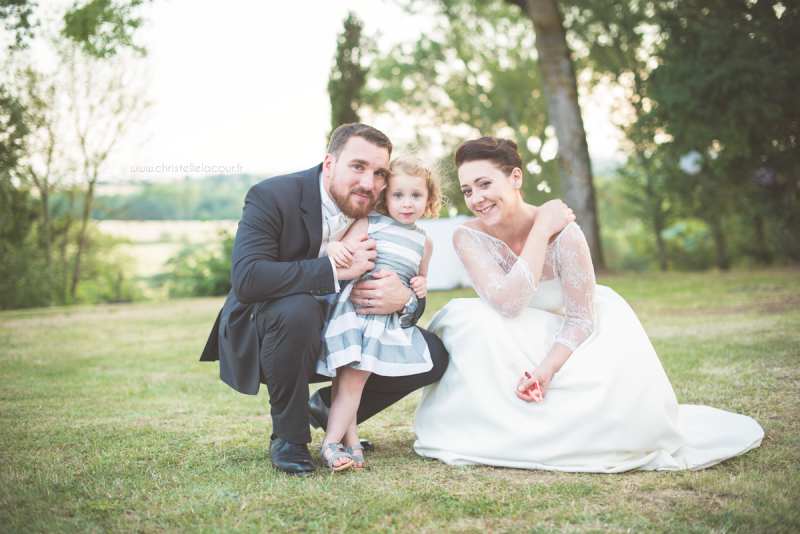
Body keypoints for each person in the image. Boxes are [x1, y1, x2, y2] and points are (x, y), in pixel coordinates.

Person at [413, 136, 764, 472]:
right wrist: (539, 231)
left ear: (515, 177)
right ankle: (488, 424)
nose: (476, 198)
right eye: (467, 190)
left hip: (569, 337)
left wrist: (547, 369)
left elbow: (581, 319)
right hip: (509, 335)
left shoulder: (566, 233)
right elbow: (509, 304)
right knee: (467, 317)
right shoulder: (468, 236)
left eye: (484, 184)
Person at [199, 124, 448, 476]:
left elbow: (407, 275)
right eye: (357, 166)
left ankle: (330, 411)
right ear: (329, 162)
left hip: (352, 321)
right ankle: (290, 437)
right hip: (276, 325)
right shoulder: (271, 195)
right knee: (298, 309)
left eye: (379, 173)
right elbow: (248, 279)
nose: (369, 181)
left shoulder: (379, 209)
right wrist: (333, 270)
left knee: (433, 355)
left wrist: (405, 297)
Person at [317, 156, 440, 471]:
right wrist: (333, 250)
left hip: (381, 320)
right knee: (350, 380)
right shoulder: (369, 221)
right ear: (385, 195)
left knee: (353, 380)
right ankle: (332, 444)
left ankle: (348, 441)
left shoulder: (425, 241)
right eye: (398, 195)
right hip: (354, 309)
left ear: (429, 199)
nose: (407, 203)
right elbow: (335, 246)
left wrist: (420, 285)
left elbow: (418, 278)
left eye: (416, 195)